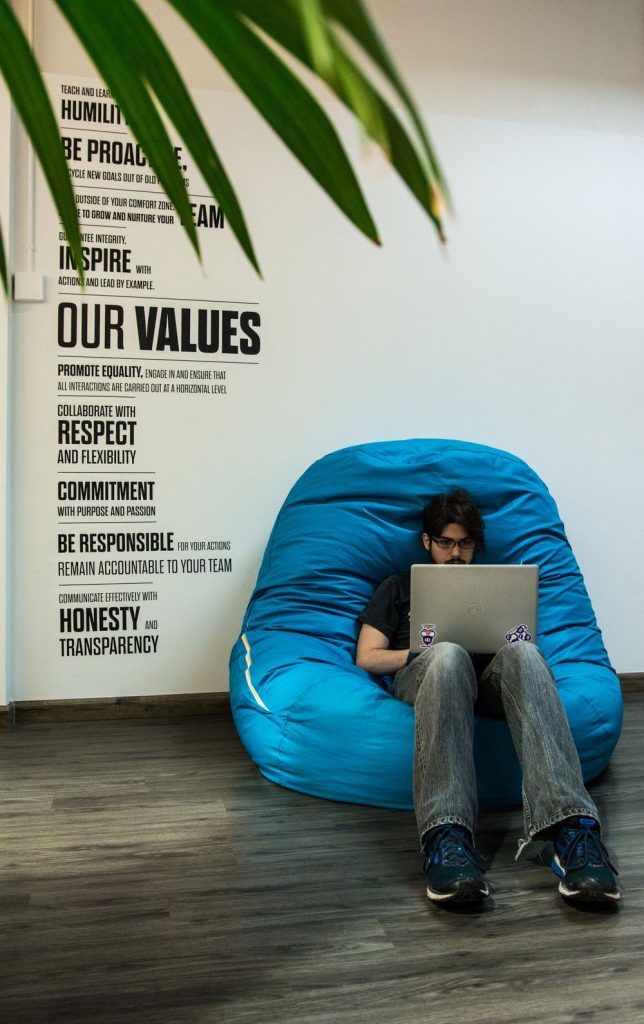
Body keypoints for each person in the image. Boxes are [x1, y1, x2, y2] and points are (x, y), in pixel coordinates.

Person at [355, 488, 620, 906]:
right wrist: (419, 653)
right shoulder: (399, 586)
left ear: (476, 545)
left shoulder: (498, 585)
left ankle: (573, 832)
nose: (455, 553)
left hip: (491, 681)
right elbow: (367, 657)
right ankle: (446, 836)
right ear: (428, 542)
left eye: (464, 543)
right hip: (428, 674)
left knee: (526, 652)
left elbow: (520, 645)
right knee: (447, 655)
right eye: (445, 542)